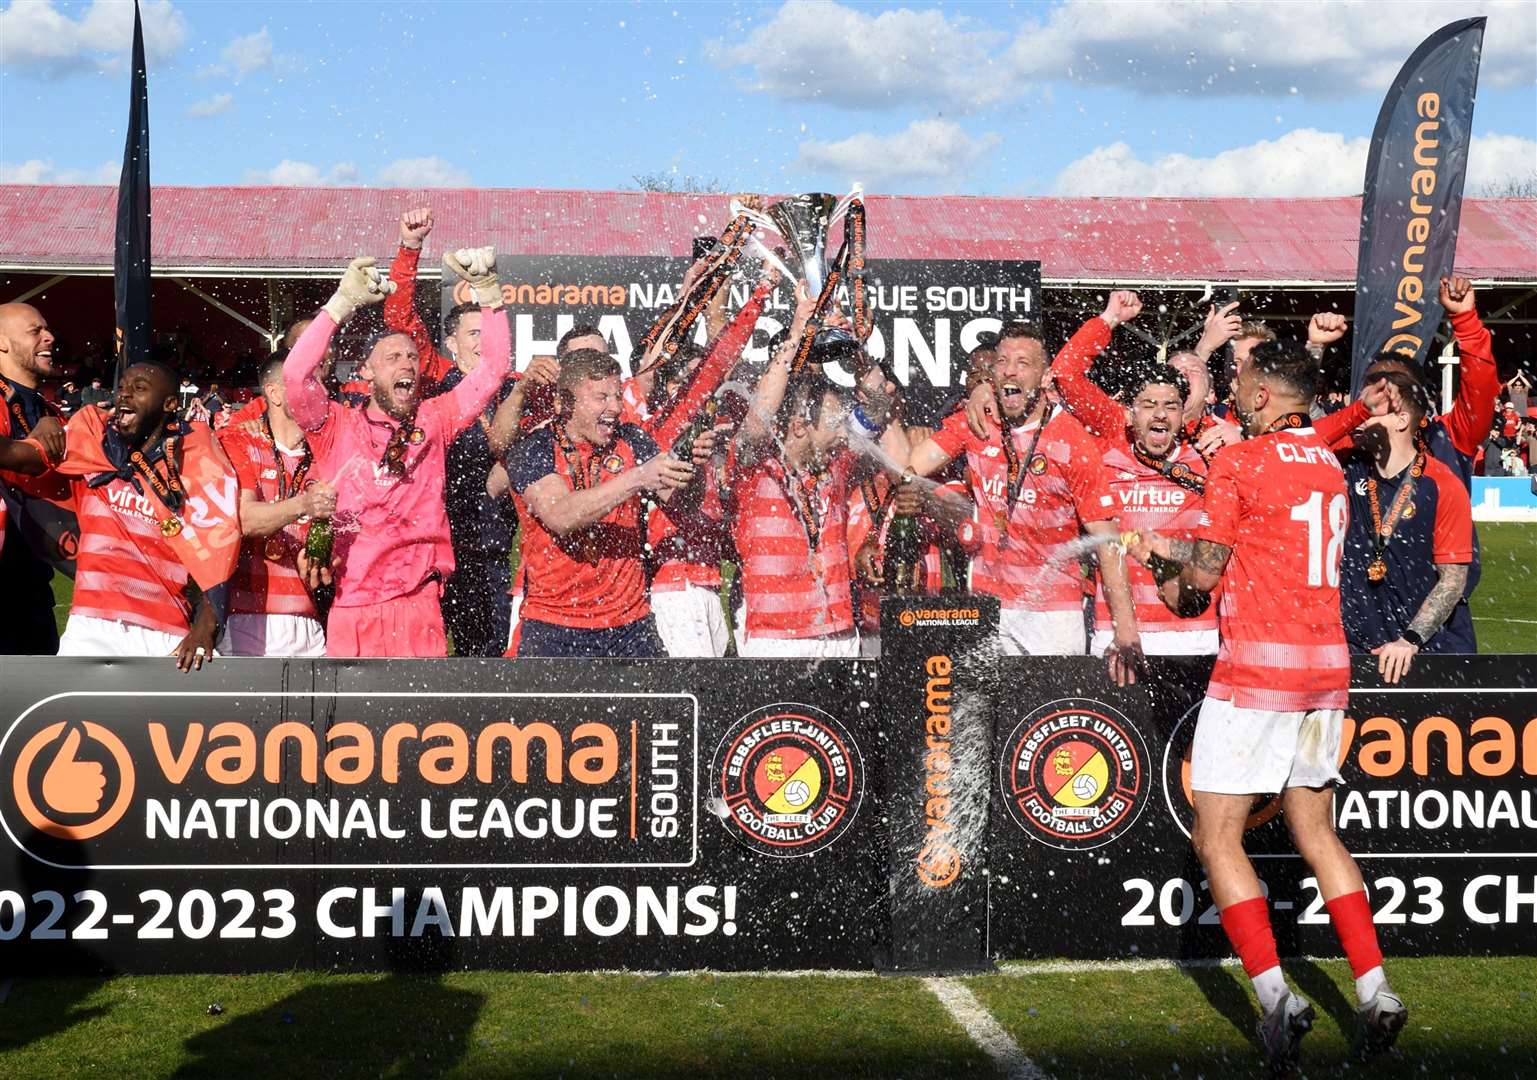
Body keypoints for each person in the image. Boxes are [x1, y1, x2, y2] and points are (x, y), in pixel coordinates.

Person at [1125, 339, 1405, 1069]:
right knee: (1317, 832)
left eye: (1240, 385)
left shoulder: (1238, 461)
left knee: (1216, 839)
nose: (1233, 398)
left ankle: (1278, 1002)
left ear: (1255, 398)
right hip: (1325, 671)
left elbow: (1196, 591)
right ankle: (1375, 991)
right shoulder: (1322, 456)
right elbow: (1326, 425)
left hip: (1256, 673)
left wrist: (1155, 558)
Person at [283, 250, 510, 658]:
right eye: (392, 357)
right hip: (353, 605)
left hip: (419, 604)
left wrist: (489, 293)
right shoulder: (336, 425)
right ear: (365, 373)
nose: (407, 363)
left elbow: (493, 368)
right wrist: (341, 304)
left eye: (411, 357)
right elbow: (295, 376)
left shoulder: (436, 418)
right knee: (349, 723)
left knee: (421, 721)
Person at [908, 321, 1139, 669]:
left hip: (1052, 614)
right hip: (985, 606)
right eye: (1001, 362)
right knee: (981, 720)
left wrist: (1126, 629)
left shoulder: (1072, 439)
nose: (1009, 371)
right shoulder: (978, 421)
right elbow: (913, 464)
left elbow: (1106, 539)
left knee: (1046, 719)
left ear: (1045, 375)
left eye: (1022, 363)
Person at [383, 207, 556, 655]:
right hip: (433, 546)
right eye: (471, 333)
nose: (482, 342)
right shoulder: (435, 380)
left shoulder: (517, 388)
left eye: (488, 331)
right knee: (428, 658)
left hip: (493, 546)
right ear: (450, 343)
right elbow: (400, 317)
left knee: (490, 660)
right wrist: (410, 247)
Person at [12, 360, 240, 670]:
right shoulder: (92, 443)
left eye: (139, 389)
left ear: (170, 403)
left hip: (165, 632)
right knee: (65, 717)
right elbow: (19, 456)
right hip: (90, 626)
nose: (124, 396)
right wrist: (47, 428)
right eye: (122, 388)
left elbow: (220, 549)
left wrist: (204, 628)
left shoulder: (194, 464)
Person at [727, 289, 908, 658]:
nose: (844, 430)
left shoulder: (836, 462)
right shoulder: (753, 467)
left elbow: (876, 405)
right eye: (835, 421)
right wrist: (796, 330)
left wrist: (854, 347)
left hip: (840, 634)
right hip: (774, 640)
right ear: (798, 426)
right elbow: (759, 420)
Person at [505, 348, 711, 657]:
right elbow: (561, 516)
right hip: (553, 627)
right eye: (602, 398)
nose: (615, 408)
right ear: (566, 403)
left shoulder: (632, 439)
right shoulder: (535, 446)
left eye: (617, 396)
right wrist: (637, 478)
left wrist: (692, 469)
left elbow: (682, 506)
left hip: (630, 626)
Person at [1049, 291, 1217, 658]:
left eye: (1170, 406)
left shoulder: (1210, 450)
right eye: (1148, 405)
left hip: (1194, 633)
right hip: (1120, 634)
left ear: (1182, 414)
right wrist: (1109, 318)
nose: (1160, 415)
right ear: (1128, 411)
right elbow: (1065, 373)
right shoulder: (1111, 435)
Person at [1339, 370, 1475, 681]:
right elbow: (1302, 437)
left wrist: (1409, 640)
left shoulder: (1442, 483)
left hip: (1424, 652)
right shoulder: (1346, 467)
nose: (1356, 416)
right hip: (1355, 650)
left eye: (1370, 409)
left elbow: (1452, 581)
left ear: (1401, 420)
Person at [215, 356, 337, 657]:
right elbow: (244, 519)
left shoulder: (327, 453)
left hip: (309, 622)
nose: (321, 390)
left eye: (322, 381)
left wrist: (328, 554)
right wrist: (304, 504)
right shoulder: (238, 440)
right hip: (246, 620)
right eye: (310, 382)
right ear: (275, 393)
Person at [0, 301, 68, 654]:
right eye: (35, 331)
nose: (50, 337)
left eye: (48, 329)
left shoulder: (49, 411)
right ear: (2, 343)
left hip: (33, 586)